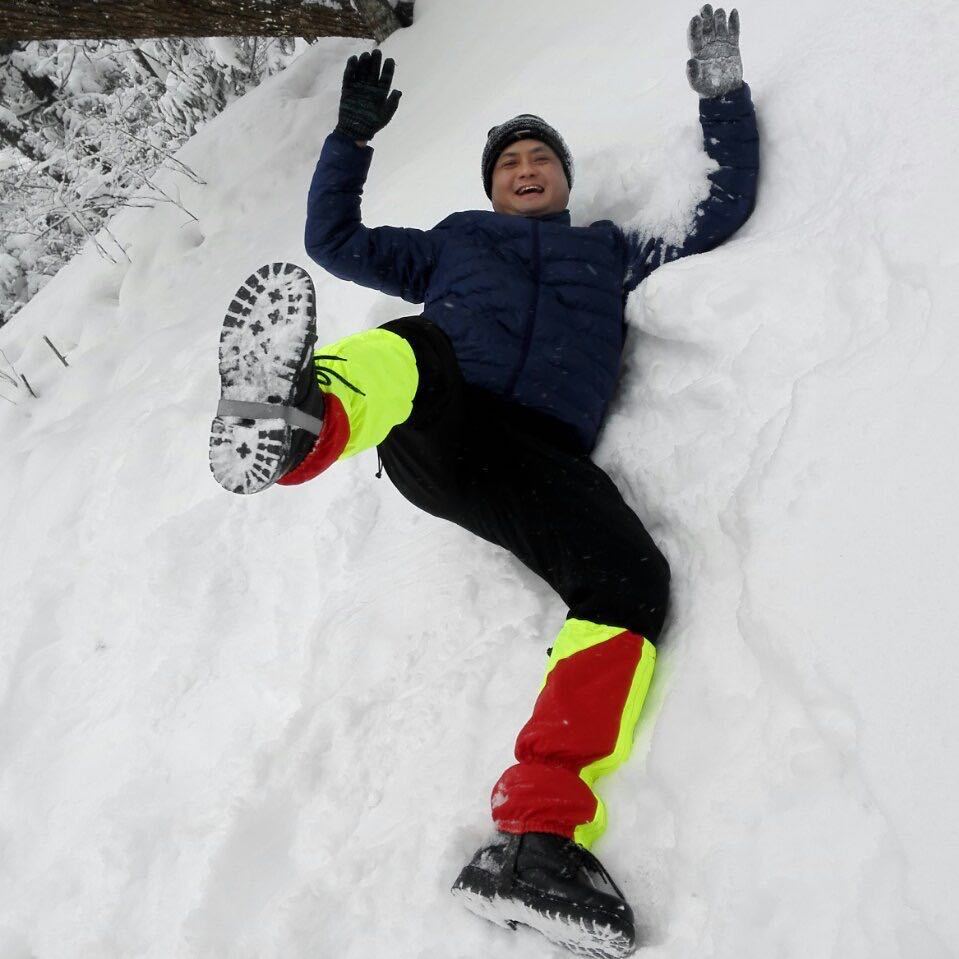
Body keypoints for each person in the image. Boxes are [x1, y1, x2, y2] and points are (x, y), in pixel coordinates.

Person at [208, 5, 758, 956]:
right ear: (493, 188)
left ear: (564, 179)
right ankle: (302, 426)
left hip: (540, 458)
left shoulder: (611, 251)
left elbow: (720, 209)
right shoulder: (453, 242)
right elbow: (334, 240)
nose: (525, 168)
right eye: (508, 162)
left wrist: (724, 98)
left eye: (539, 157)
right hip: (442, 419)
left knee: (630, 587)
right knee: (415, 346)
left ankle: (536, 839)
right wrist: (348, 140)